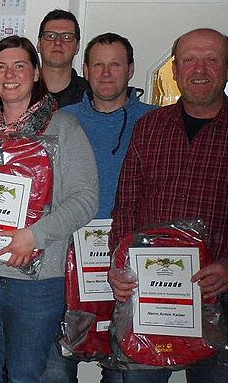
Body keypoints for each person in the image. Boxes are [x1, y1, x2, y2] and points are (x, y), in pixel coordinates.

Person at [108, 28, 228, 383]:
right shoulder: (150, 127)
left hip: (223, 293)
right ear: (175, 70)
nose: (200, 69)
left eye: (212, 59)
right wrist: (120, 262)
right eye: (189, 59)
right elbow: (127, 204)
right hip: (149, 291)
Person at [0, 35, 99, 382]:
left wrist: (35, 235)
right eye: (0, 66)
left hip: (35, 280)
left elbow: (85, 199)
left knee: (26, 375)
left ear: (35, 73)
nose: (9, 74)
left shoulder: (63, 127)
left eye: (19, 65)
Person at [43, 32, 156, 383]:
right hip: (66, 263)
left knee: (128, 372)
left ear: (131, 70)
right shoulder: (59, 121)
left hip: (133, 267)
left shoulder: (157, 123)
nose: (106, 73)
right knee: (54, 369)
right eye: (98, 65)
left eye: (115, 65)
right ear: (86, 70)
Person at [37, 9, 88, 108]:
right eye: (51, 36)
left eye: (67, 37)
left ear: (77, 47)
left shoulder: (90, 95)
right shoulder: (21, 91)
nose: (58, 42)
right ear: (39, 44)